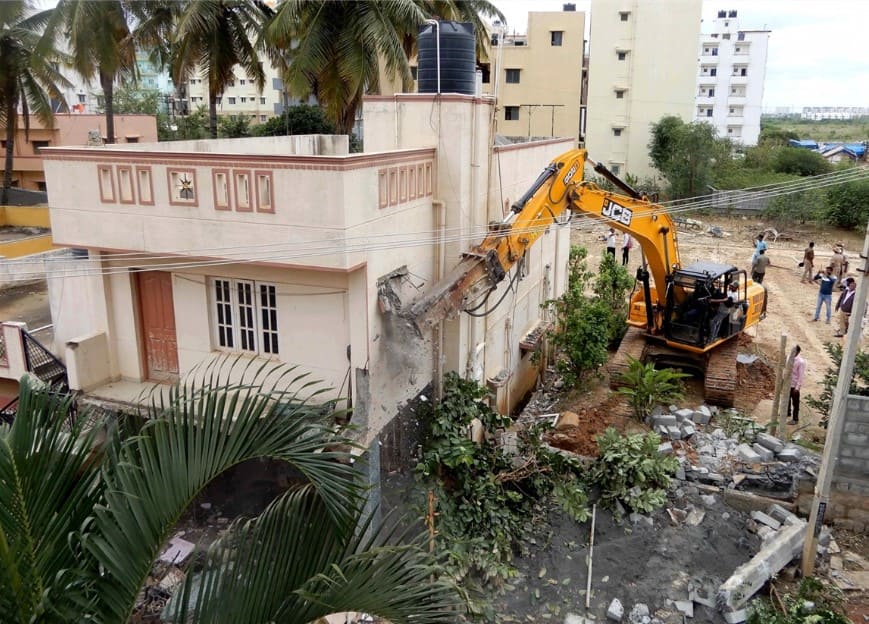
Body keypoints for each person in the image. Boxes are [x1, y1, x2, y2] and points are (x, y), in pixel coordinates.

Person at [787, 345, 806, 425]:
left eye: (795, 351)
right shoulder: (788, 357)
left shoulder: (801, 362)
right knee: (786, 400)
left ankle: (795, 419)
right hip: (787, 383)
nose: (793, 353)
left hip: (794, 385)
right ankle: (787, 412)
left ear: (798, 352)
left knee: (795, 403)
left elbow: (801, 376)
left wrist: (797, 388)